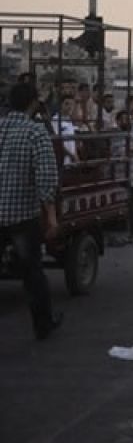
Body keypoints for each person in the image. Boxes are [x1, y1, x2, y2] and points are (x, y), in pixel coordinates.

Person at [0, 83, 62, 340]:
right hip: (21, 216)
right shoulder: (35, 132)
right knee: (32, 272)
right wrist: (51, 216)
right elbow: (46, 178)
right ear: (34, 103)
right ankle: (43, 325)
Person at [50, 94, 79, 165]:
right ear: (60, 105)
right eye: (66, 104)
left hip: (71, 160)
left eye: (72, 104)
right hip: (61, 159)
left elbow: (73, 140)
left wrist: (75, 155)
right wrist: (71, 155)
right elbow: (57, 142)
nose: (70, 107)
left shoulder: (69, 120)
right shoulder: (55, 119)